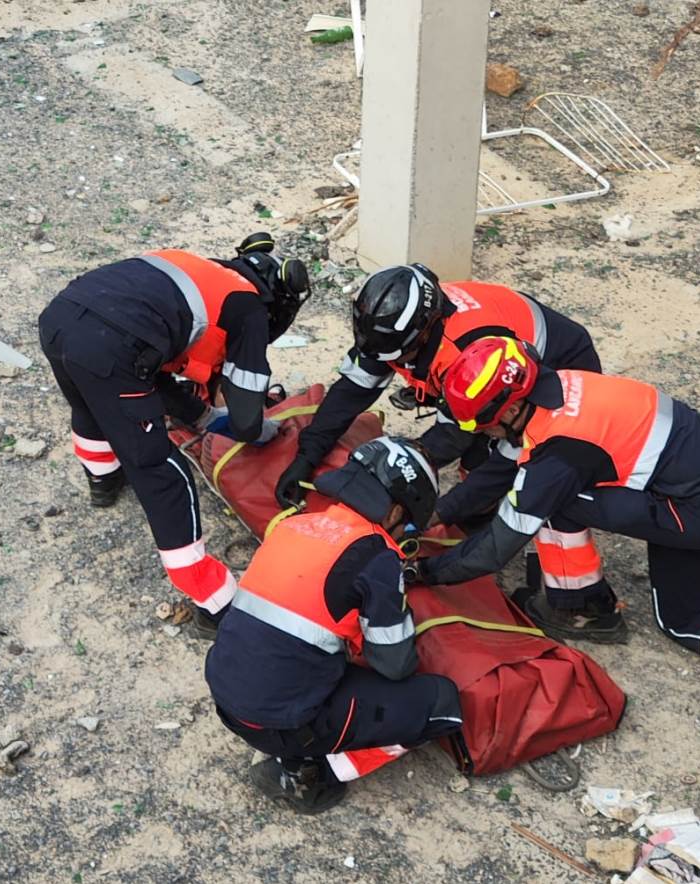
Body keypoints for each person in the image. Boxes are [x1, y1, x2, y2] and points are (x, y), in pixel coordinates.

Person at [414, 337, 700, 731]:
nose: (483, 434)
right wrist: (436, 513)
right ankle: (582, 601)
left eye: (483, 424)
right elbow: (502, 465)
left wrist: (427, 571)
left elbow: (494, 550)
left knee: (678, 617)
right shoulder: (559, 386)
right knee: (539, 489)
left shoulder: (558, 454)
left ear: (509, 410)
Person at [38, 233, 310, 630]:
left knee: (91, 405)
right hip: (112, 348)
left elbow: (152, 364)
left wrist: (200, 416)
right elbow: (248, 417)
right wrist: (259, 432)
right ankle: (214, 602)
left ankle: (103, 480)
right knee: (162, 472)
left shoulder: (194, 266)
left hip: (61, 319)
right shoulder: (248, 308)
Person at [206, 436, 465, 813]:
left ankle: (297, 752)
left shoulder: (297, 524)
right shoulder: (377, 556)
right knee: (441, 703)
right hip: (279, 722)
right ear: (394, 512)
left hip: (227, 697)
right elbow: (395, 664)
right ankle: (310, 776)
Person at [274, 264, 601, 531]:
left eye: (399, 357)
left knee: (492, 466)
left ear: (425, 331)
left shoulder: (464, 357)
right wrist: (308, 454)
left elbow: (450, 437)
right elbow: (352, 391)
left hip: (555, 370)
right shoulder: (391, 330)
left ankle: (492, 533)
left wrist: (400, 486)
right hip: (492, 367)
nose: (391, 363)